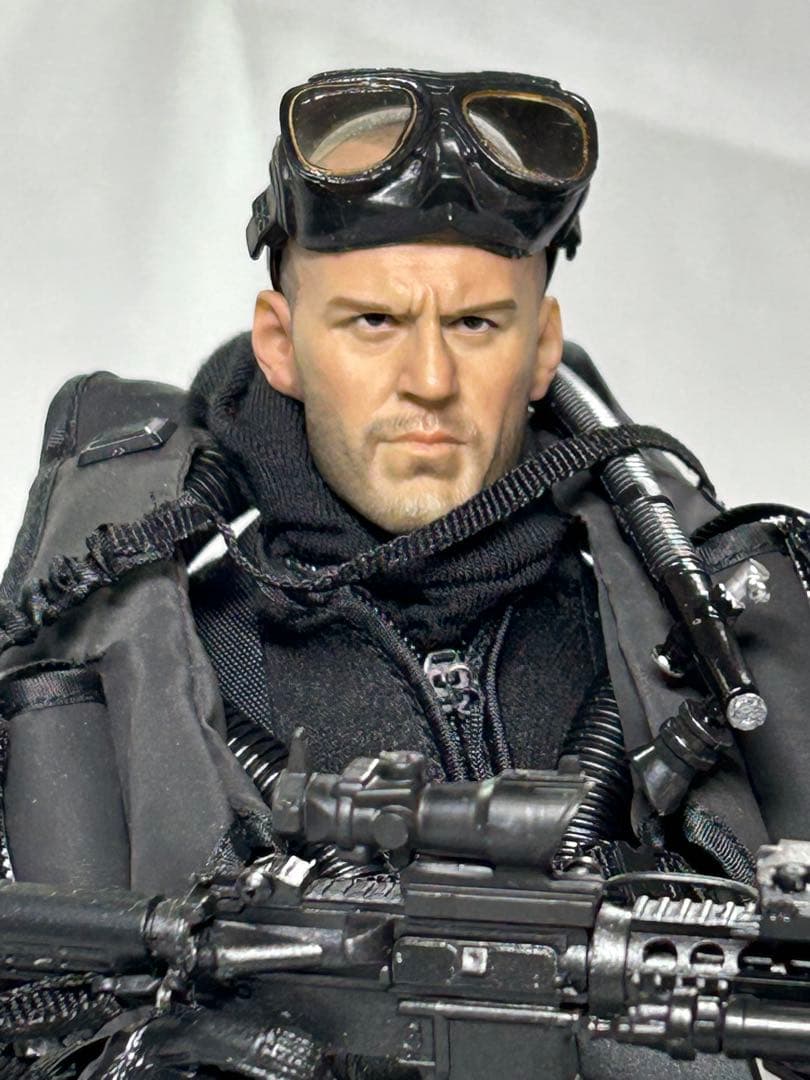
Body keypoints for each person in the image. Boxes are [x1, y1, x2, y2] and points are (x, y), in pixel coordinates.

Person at [0, 67, 808, 1079]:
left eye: (476, 324)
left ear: (542, 347)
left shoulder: (678, 660)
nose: (430, 381)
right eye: (373, 323)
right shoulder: (162, 683)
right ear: (281, 344)